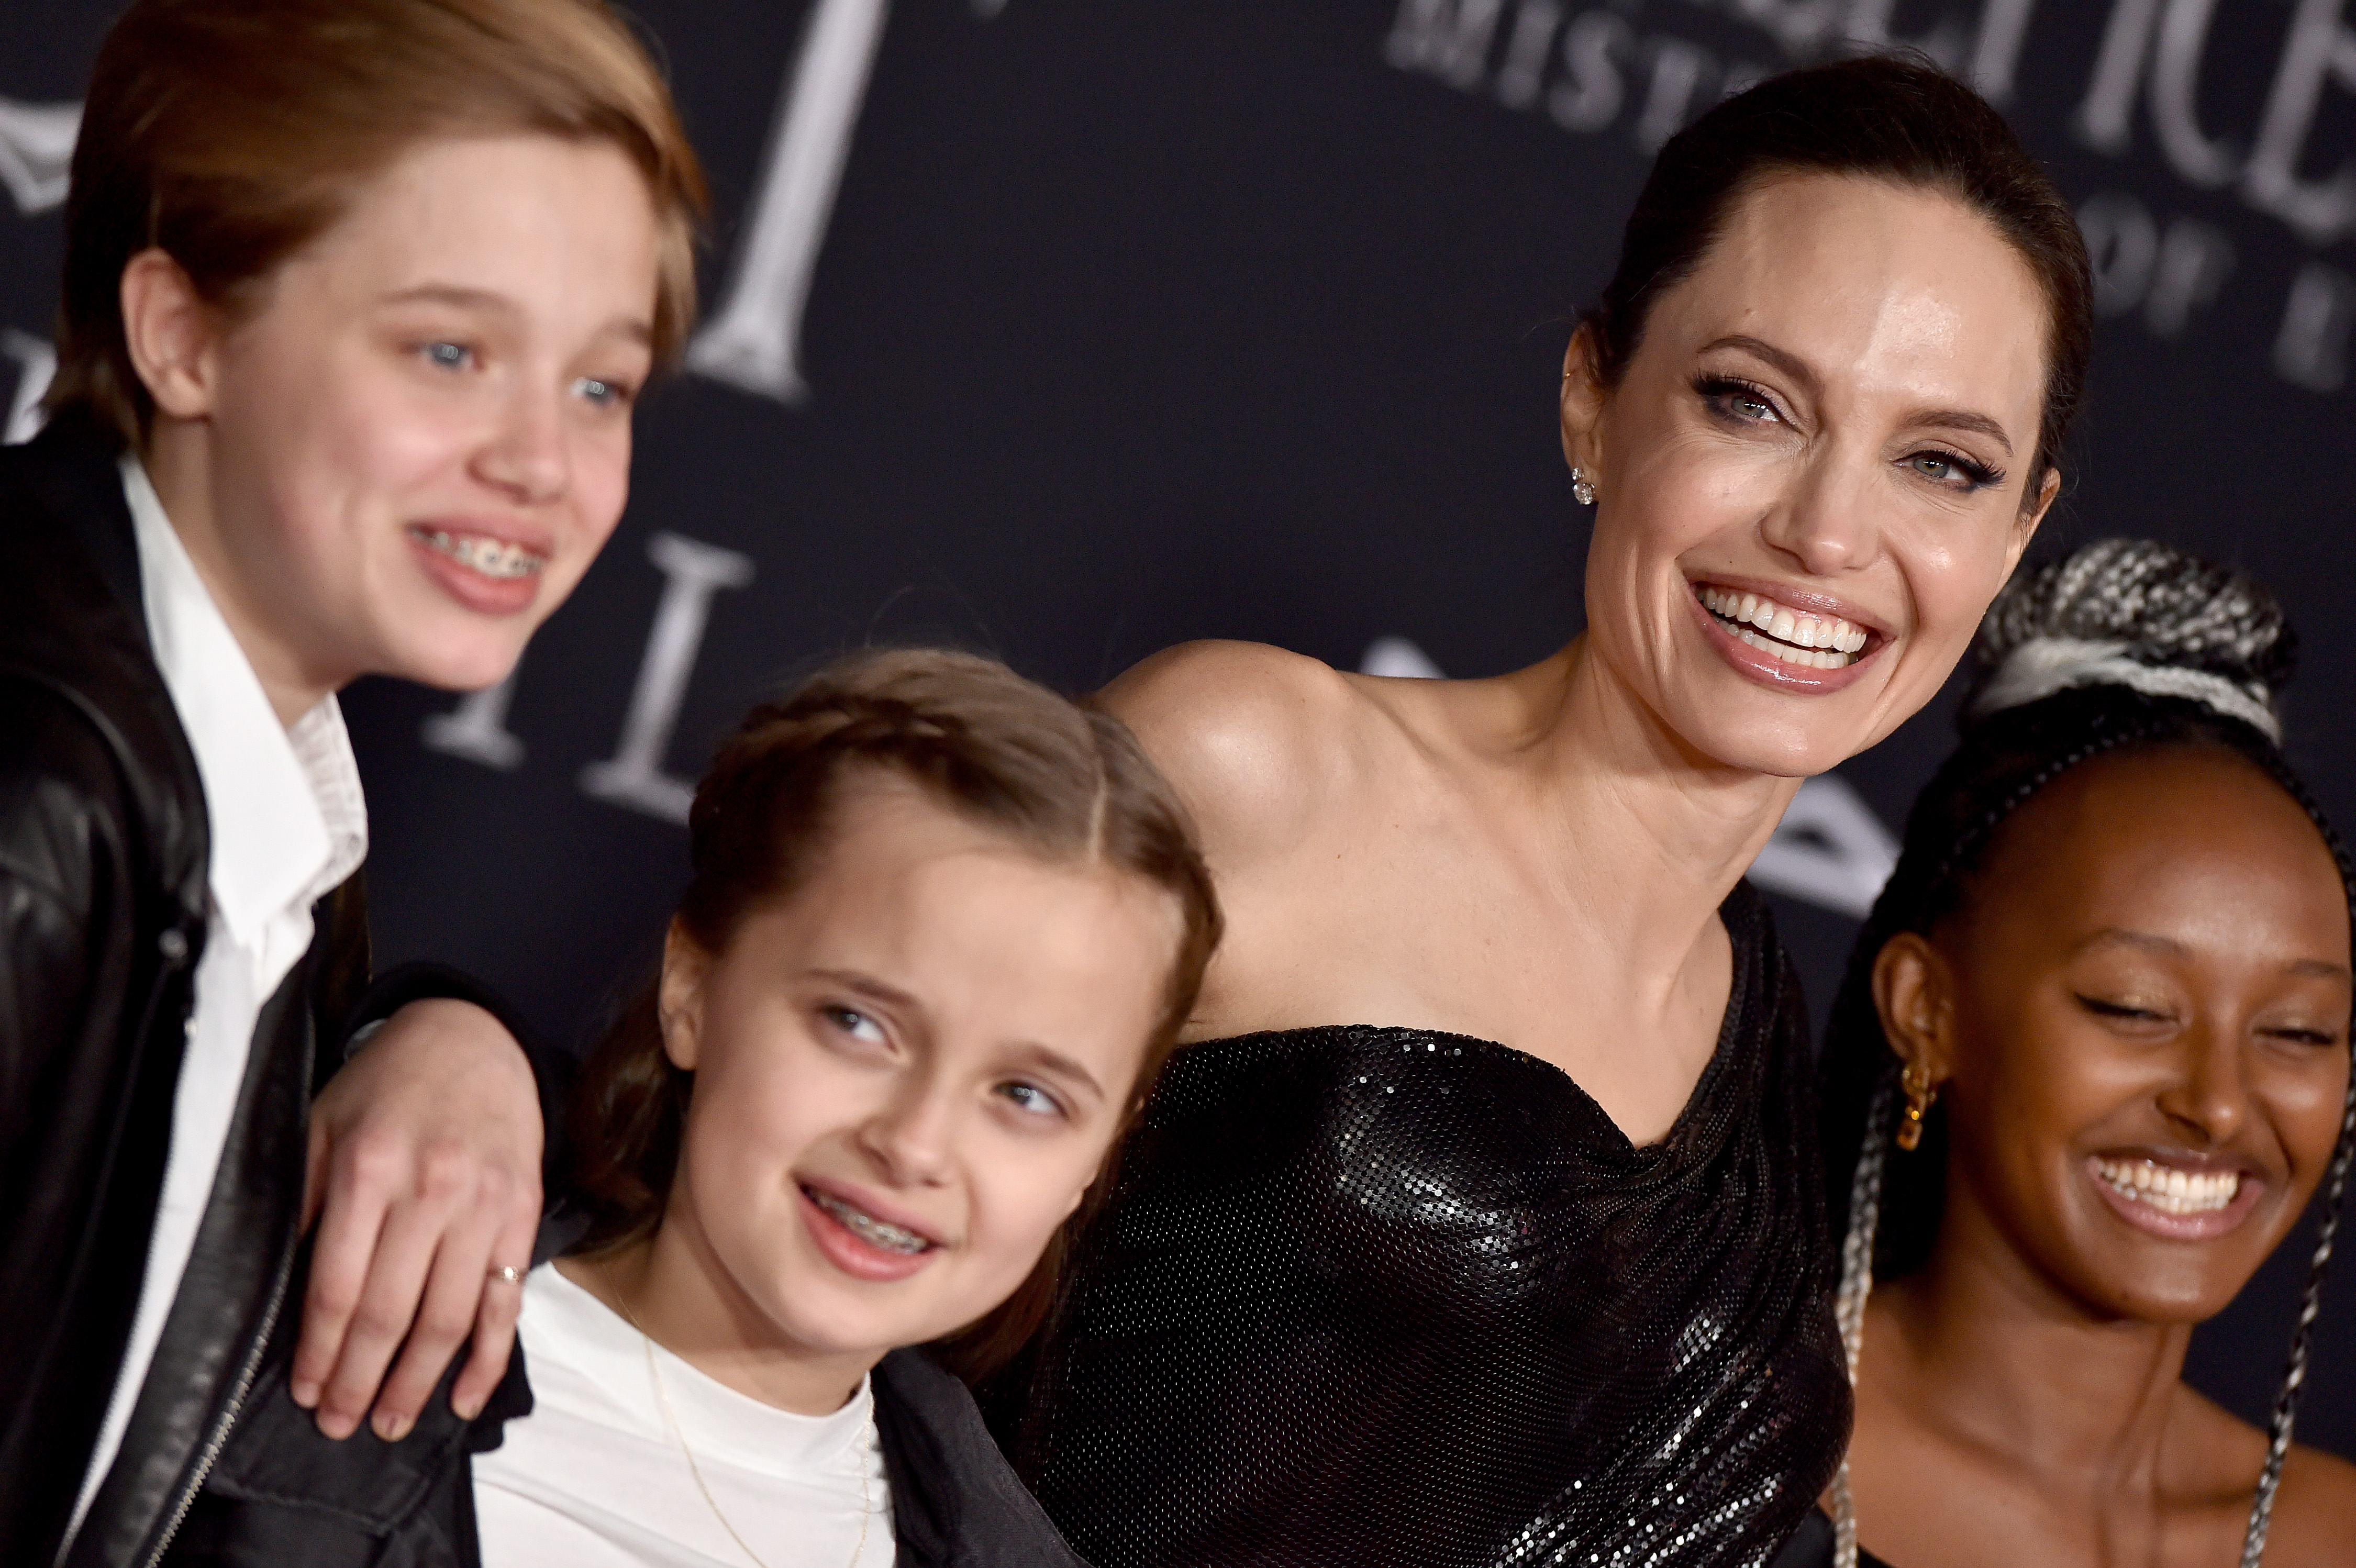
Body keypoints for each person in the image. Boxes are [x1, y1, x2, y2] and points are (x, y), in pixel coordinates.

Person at [991, 52, 2094, 1567]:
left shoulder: (1762, 1050)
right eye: (1751, 403)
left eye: (1942, 464)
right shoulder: (1252, 767)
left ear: (2019, 524)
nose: (1828, 530)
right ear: (1593, 396)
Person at [0, 2, 707, 1563]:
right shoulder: (38, 789)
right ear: (183, 334)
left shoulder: (215, 781)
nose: (540, 461)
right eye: (449, 350)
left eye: (600, 385)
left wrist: (432, 1032)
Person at [150, 648, 1223, 1567]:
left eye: (1027, 1095)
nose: (915, 1143)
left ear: (1101, 1154)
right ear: (694, 988)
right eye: (857, 1024)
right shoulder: (320, 1285)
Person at [1785, 540, 2356, 1568]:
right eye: (2132, 1007)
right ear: (1927, 1011)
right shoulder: (1705, 1461)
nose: (2221, 1107)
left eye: (2300, 1031)